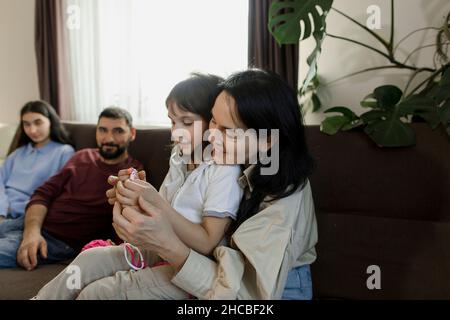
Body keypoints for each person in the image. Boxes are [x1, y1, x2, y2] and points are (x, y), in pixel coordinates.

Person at [34, 73, 245, 300]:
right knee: (89, 260)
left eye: (186, 122)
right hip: (157, 248)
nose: (176, 132)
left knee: (98, 293)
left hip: (191, 263)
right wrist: (134, 196)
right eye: (173, 121)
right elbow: (159, 210)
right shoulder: (180, 155)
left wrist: (156, 203)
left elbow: (206, 243)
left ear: (212, 120)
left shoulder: (224, 168)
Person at [0, 107, 142, 269]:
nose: (108, 138)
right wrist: (31, 232)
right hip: (29, 222)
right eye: (102, 130)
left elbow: (126, 225)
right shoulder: (82, 156)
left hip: (58, 241)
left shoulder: (131, 173)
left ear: (132, 133)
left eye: (118, 131)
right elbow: (43, 193)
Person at [0, 101, 74, 223]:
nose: (32, 130)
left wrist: (10, 210)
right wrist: (1, 210)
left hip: (25, 217)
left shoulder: (64, 152)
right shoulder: (19, 152)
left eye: (38, 122)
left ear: (50, 121)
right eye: (26, 124)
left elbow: (56, 193)